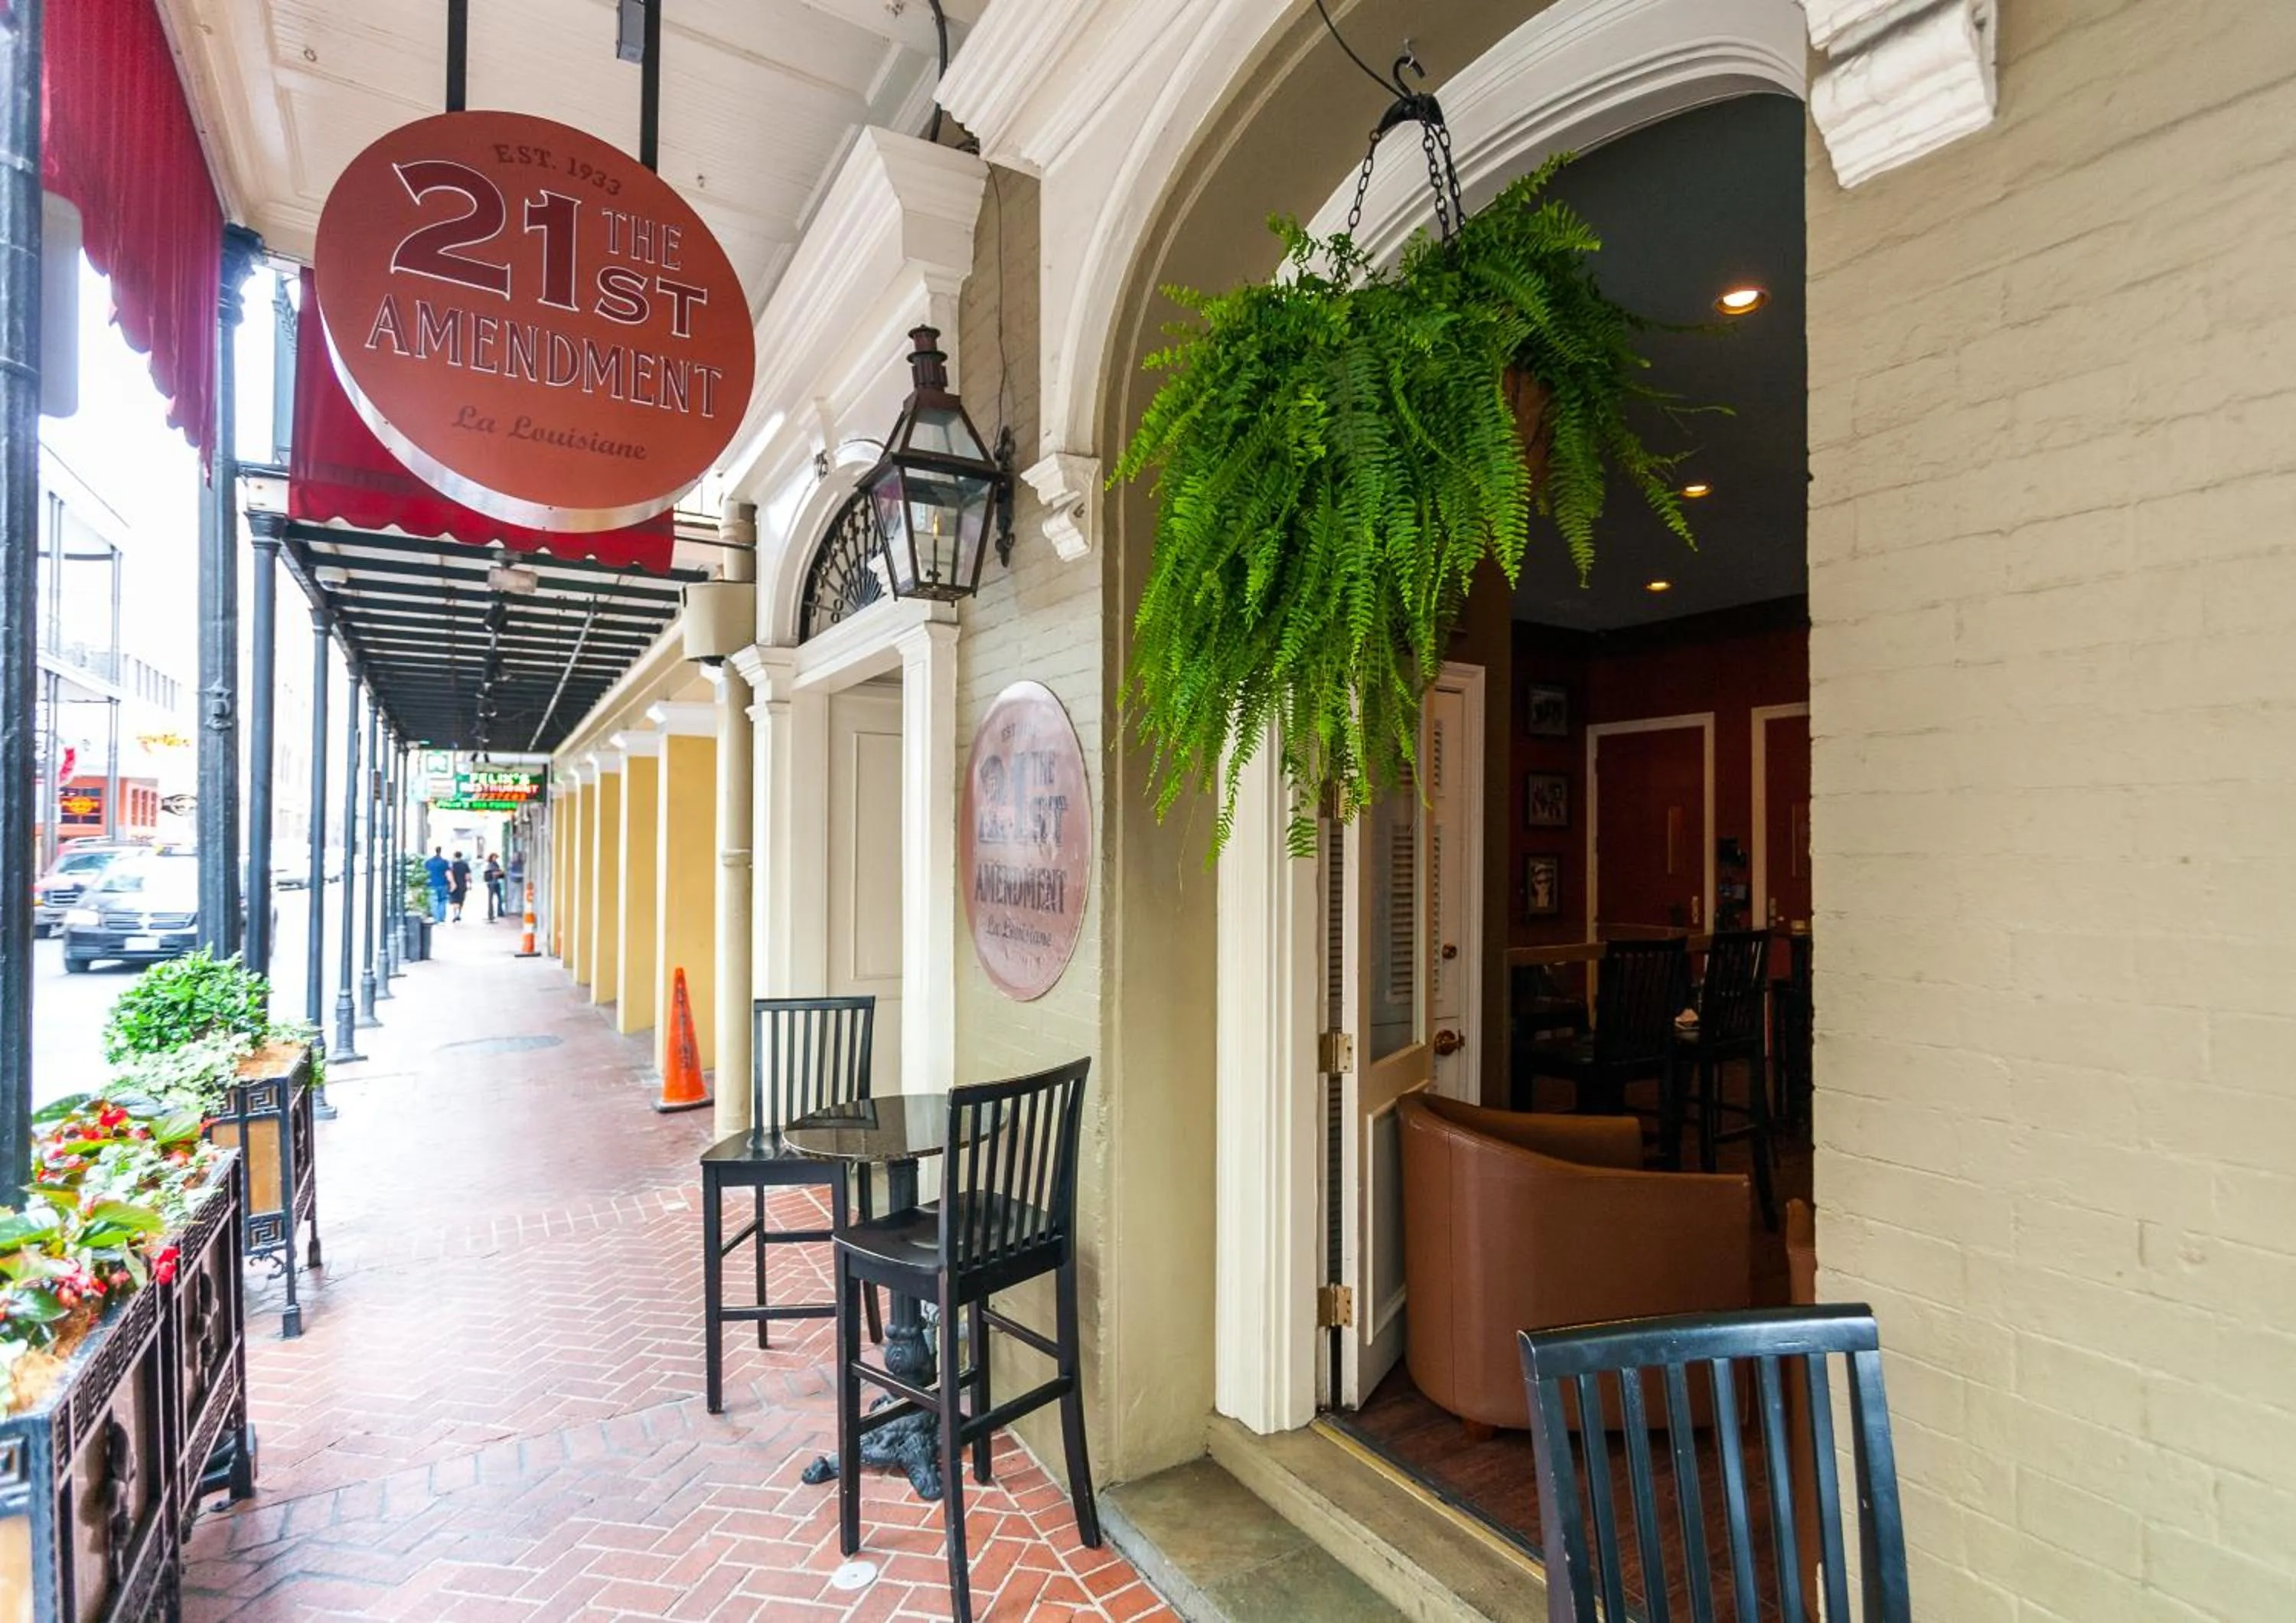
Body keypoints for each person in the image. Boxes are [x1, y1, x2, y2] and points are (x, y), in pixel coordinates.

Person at [424, 846, 450, 923]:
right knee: (442, 900)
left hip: (432, 883)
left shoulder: (428, 862)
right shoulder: (444, 862)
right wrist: (452, 883)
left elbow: (425, 873)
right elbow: (448, 873)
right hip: (443, 883)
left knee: (433, 901)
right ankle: (442, 918)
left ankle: (436, 918)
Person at [448, 851, 472, 923]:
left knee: (454, 900)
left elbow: (449, 875)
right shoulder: (465, 864)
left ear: (454, 856)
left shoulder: (452, 865)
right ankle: (459, 914)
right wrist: (470, 884)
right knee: (461, 900)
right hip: (462, 885)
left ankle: (455, 915)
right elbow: (467, 876)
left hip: (453, 885)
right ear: (461, 856)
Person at [483, 851, 505, 921]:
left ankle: (498, 912)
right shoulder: (491, 865)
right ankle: (492, 914)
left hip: (494, 883)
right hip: (492, 883)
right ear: (491, 858)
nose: (496, 858)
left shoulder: (494, 864)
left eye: (496, 857)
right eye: (494, 857)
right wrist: (501, 872)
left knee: (497, 898)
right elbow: (494, 873)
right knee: (493, 899)